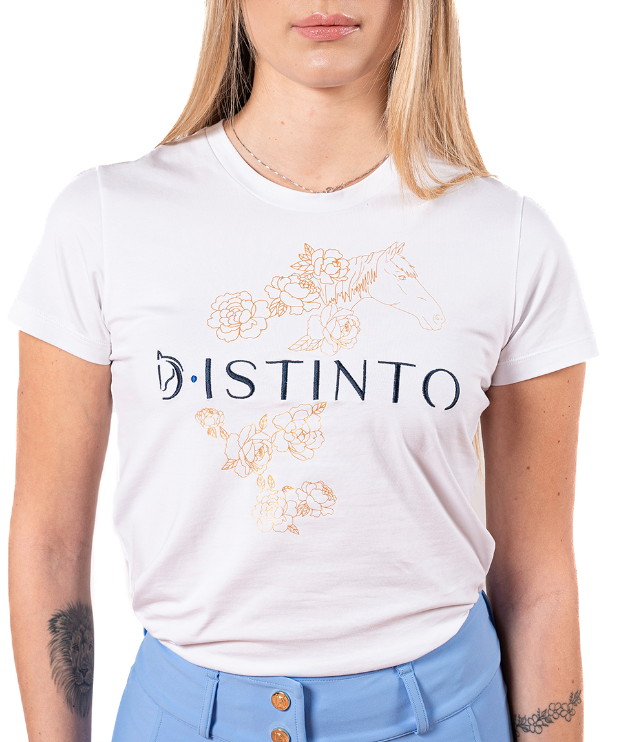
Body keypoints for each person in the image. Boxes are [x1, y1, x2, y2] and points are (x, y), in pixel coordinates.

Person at [8, 1, 598, 740]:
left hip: (446, 713)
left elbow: (538, 577)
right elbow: (49, 541)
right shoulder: (102, 218)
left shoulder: (509, 239)